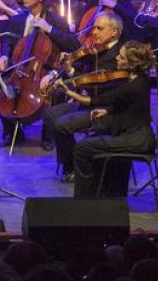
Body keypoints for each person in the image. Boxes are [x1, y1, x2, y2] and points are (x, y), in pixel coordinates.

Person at [68, 41, 158, 198]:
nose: (116, 58)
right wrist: (108, 111)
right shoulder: (139, 79)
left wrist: (69, 92)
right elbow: (127, 106)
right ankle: (106, 194)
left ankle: (83, 200)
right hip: (136, 134)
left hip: (137, 139)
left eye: (121, 56)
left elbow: (98, 100)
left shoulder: (134, 85)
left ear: (132, 64)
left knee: (82, 148)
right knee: (96, 140)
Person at [0, 0, 79, 146]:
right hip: (19, 70)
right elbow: (8, 41)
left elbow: (73, 44)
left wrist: (49, 29)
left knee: (56, 92)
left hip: (46, 71)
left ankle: (48, 136)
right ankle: (13, 132)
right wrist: (4, 55)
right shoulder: (19, 18)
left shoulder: (55, 20)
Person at [44, 10, 125, 181]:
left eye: (100, 28)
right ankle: (70, 164)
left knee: (61, 125)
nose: (94, 32)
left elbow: (94, 84)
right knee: (50, 114)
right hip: (88, 101)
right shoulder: (96, 50)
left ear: (114, 32)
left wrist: (72, 73)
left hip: (104, 108)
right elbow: (81, 71)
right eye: (94, 28)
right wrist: (65, 68)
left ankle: (75, 168)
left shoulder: (119, 55)